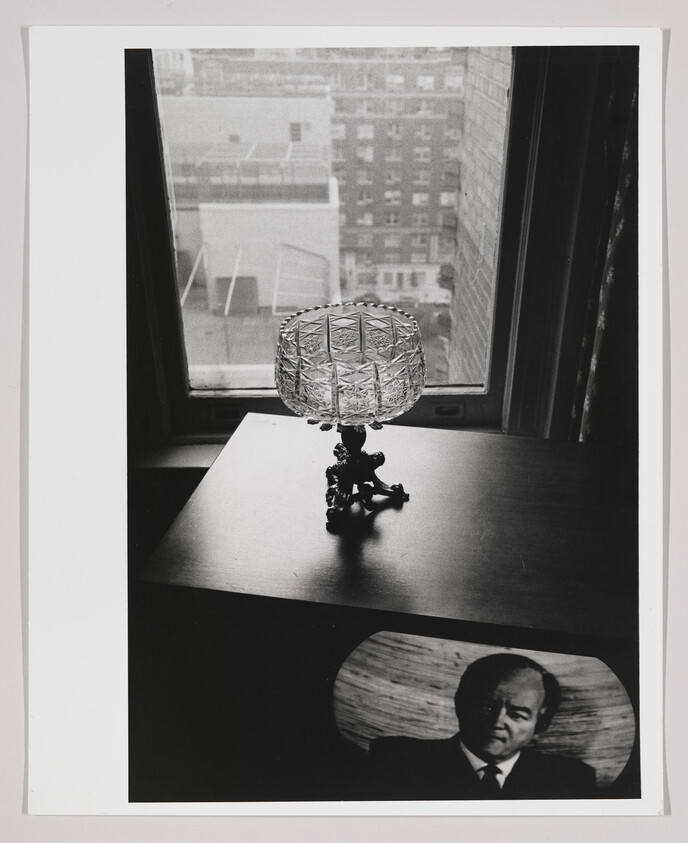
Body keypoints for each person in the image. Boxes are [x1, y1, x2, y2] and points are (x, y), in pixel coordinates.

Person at [367, 652, 597, 800]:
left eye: (517, 715)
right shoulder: (397, 759)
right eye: (486, 708)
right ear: (460, 704)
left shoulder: (572, 779)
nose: (497, 722)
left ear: (541, 725)